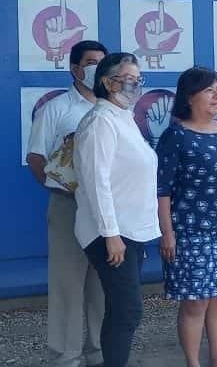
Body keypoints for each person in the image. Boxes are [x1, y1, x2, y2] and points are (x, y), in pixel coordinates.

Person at [156, 67, 217, 367]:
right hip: (191, 233)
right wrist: (168, 234)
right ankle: (193, 363)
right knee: (196, 303)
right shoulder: (175, 135)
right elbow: (163, 190)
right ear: (189, 96)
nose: (216, 96)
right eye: (209, 90)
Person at [73, 53, 160, 367]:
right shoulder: (100, 122)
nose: (135, 85)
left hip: (130, 232)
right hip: (111, 232)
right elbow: (97, 183)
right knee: (127, 311)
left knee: (122, 310)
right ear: (107, 82)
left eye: (139, 80)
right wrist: (111, 234)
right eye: (128, 79)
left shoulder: (124, 117)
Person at [26, 40, 107, 367]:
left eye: (103, 61)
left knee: (102, 284)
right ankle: (66, 356)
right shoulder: (55, 109)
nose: (97, 68)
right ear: (75, 70)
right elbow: (36, 157)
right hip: (68, 206)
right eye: (91, 62)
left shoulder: (114, 107)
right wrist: (60, 187)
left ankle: (99, 352)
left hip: (105, 210)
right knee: (67, 284)